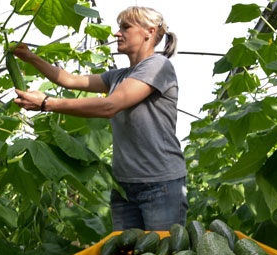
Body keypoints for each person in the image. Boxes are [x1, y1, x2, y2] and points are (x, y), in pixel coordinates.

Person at [12, 6, 187, 231]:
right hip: (124, 186)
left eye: (125, 27)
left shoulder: (158, 66)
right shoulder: (119, 76)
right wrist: (30, 57)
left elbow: (110, 106)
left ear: (149, 32)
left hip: (160, 184)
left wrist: (47, 103)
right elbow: (70, 80)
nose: (117, 33)